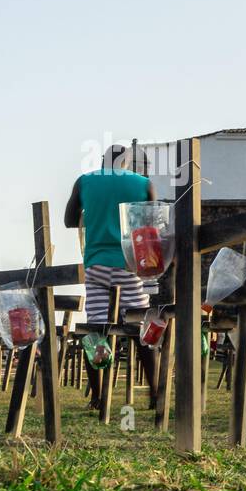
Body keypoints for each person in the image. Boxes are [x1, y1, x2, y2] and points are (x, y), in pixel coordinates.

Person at [63, 144, 158, 411]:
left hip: (96, 265)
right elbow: (152, 226)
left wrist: (91, 213)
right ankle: (155, 394)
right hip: (129, 265)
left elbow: (69, 220)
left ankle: (98, 397)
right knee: (142, 332)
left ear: (104, 162)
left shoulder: (84, 181)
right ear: (127, 163)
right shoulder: (144, 184)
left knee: (96, 331)